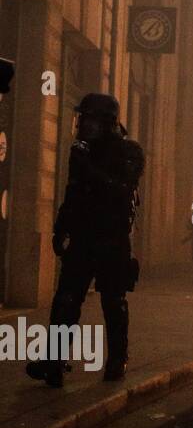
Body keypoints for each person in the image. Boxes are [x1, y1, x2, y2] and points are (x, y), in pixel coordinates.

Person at [26, 93, 144, 387]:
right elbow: (74, 192)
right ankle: (53, 361)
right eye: (83, 119)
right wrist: (61, 227)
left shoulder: (128, 151)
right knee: (66, 299)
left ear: (106, 123)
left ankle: (117, 358)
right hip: (83, 237)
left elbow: (121, 189)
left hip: (112, 238)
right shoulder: (83, 151)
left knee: (113, 300)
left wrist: (87, 166)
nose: (83, 126)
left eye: (89, 120)